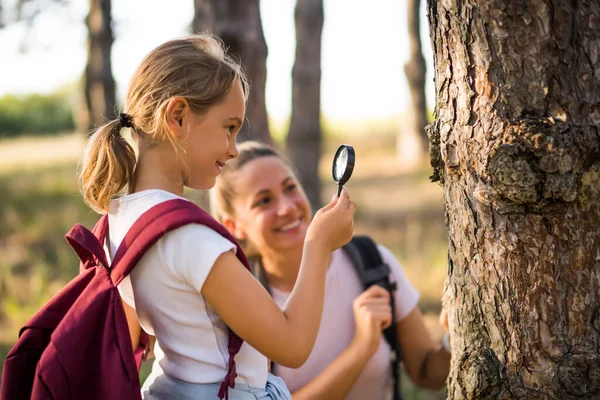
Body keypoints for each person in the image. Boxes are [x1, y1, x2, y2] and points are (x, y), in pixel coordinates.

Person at [77, 35, 356, 400]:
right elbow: (292, 344)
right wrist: (318, 245)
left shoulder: (119, 219)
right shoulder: (187, 236)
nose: (234, 148)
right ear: (177, 117)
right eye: (229, 127)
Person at [211, 141, 451, 400]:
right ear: (234, 226)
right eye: (264, 201)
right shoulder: (241, 304)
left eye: (290, 188)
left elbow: (428, 372)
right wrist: (361, 348)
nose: (287, 207)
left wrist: (453, 336)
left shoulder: (372, 262)